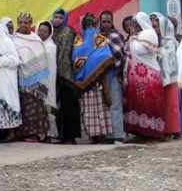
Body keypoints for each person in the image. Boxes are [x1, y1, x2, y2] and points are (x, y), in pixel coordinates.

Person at [72, 13, 114, 144]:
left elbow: (77, 58)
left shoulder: (80, 40)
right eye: (88, 24)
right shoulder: (99, 39)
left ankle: (96, 136)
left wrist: (88, 66)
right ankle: (99, 135)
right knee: (98, 108)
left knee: (90, 109)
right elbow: (104, 57)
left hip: (88, 81)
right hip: (98, 80)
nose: (89, 26)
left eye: (90, 24)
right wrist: (95, 65)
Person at [123, 12, 164, 139]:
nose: (133, 26)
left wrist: (133, 37)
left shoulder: (149, 34)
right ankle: (139, 132)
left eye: (135, 23)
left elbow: (139, 50)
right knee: (137, 103)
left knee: (148, 103)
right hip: (137, 77)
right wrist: (134, 37)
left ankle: (151, 133)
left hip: (149, 76)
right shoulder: (138, 36)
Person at [13, 12, 50, 142]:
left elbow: (43, 59)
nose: (23, 25)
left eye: (26, 22)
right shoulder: (14, 39)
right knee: (25, 106)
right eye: (21, 22)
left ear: (30, 24)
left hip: (38, 80)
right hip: (22, 79)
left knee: (38, 107)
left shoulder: (36, 39)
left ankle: (40, 134)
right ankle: (28, 133)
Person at [0, 19, 22, 141]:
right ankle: (2, 131)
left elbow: (16, 61)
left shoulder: (6, 41)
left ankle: (11, 132)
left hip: (6, 78)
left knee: (8, 101)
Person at [51, 8, 81, 144]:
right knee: (58, 107)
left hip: (67, 74)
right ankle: (62, 135)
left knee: (69, 106)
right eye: (55, 17)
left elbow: (65, 52)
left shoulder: (68, 31)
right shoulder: (51, 33)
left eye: (60, 17)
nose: (57, 19)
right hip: (54, 74)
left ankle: (71, 136)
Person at [98, 11, 126, 141]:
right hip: (99, 76)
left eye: (108, 21)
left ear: (112, 22)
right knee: (103, 106)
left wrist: (110, 63)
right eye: (103, 21)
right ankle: (107, 135)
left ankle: (118, 134)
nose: (106, 24)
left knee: (115, 104)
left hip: (113, 74)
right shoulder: (96, 37)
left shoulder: (116, 36)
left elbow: (120, 55)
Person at [152, 13, 181, 140]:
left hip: (170, 79)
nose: (154, 30)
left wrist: (157, 52)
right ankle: (164, 129)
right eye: (153, 27)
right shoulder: (157, 42)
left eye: (156, 27)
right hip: (160, 78)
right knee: (163, 104)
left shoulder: (170, 42)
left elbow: (168, 59)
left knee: (170, 104)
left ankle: (172, 129)